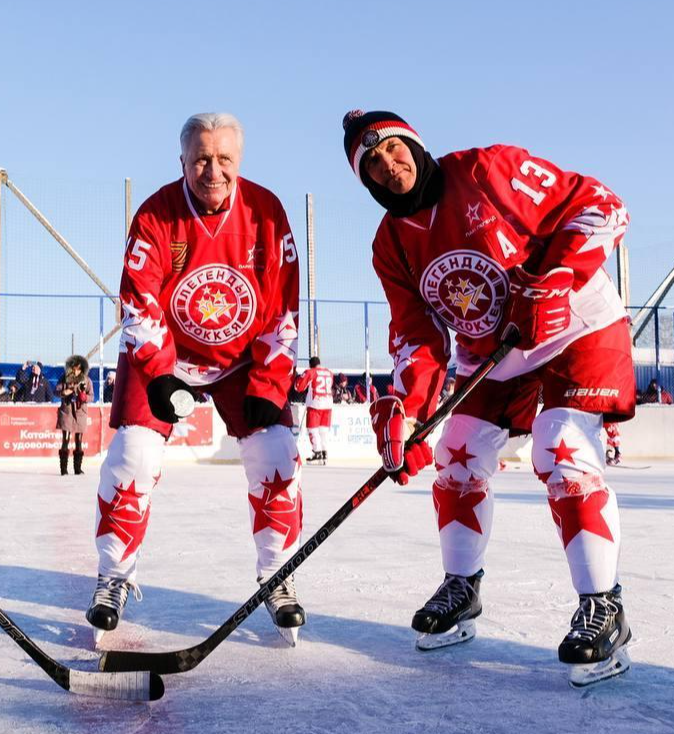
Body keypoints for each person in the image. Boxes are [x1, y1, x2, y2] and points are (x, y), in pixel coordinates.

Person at [343, 109, 634, 686]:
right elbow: (416, 332)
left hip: (577, 327)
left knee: (562, 447)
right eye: (371, 163)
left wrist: (555, 275)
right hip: (493, 354)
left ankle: (605, 608)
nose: (388, 165)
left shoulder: (487, 170)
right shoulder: (390, 244)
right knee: (455, 451)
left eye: (393, 148)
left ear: (414, 144)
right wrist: (408, 405)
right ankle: (461, 591)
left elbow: (602, 205)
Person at [88, 112, 304, 646]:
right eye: (201, 158)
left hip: (241, 358)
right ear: (182, 161)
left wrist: (270, 382)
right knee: (134, 454)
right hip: (168, 356)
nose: (213, 170)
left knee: (276, 451)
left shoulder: (266, 211)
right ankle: (114, 576)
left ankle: (278, 576)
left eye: (224, 158)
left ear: (239, 160)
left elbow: (283, 304)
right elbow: (140, 299)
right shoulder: (157, 214)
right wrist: (160, 374)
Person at [56, 355, 93, 475]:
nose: (76, 371)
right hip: (66, 411)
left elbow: (91, 396)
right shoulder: (64, 378)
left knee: (79, 440)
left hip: (80, 412)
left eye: (78, 369)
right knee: (65, 439)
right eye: (74, 368)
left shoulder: (87, 380)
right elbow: (56, 391)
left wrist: (84, 397)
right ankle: (64, 469)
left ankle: (77, 468)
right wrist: (65, 391)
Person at [294, 356, 334, 463]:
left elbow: (299, 387)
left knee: (312, 429)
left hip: (315, 403)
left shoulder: (311, 372)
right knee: (324, 430)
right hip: (328, 404)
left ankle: (317, 452)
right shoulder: (329, 372)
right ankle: (325, 453)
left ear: (310, 365)